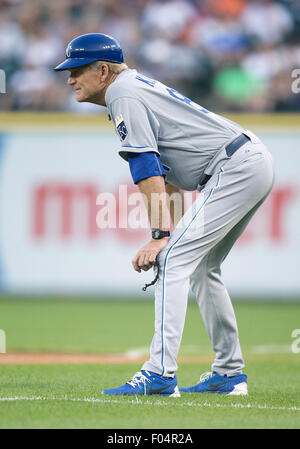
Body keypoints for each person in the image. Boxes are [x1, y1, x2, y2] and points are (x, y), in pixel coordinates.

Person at [54, 33, 274, 397]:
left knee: (171, 261)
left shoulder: (122, 93)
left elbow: (146, 168)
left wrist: (160, 235)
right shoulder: (129, 89)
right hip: (246, 162)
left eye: (77, 70)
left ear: (103, 70)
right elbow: (167, 175)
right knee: (201, 267)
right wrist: (167, 232)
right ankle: (229, 375)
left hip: (235, 166)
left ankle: (159, 374)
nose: (69, 79)